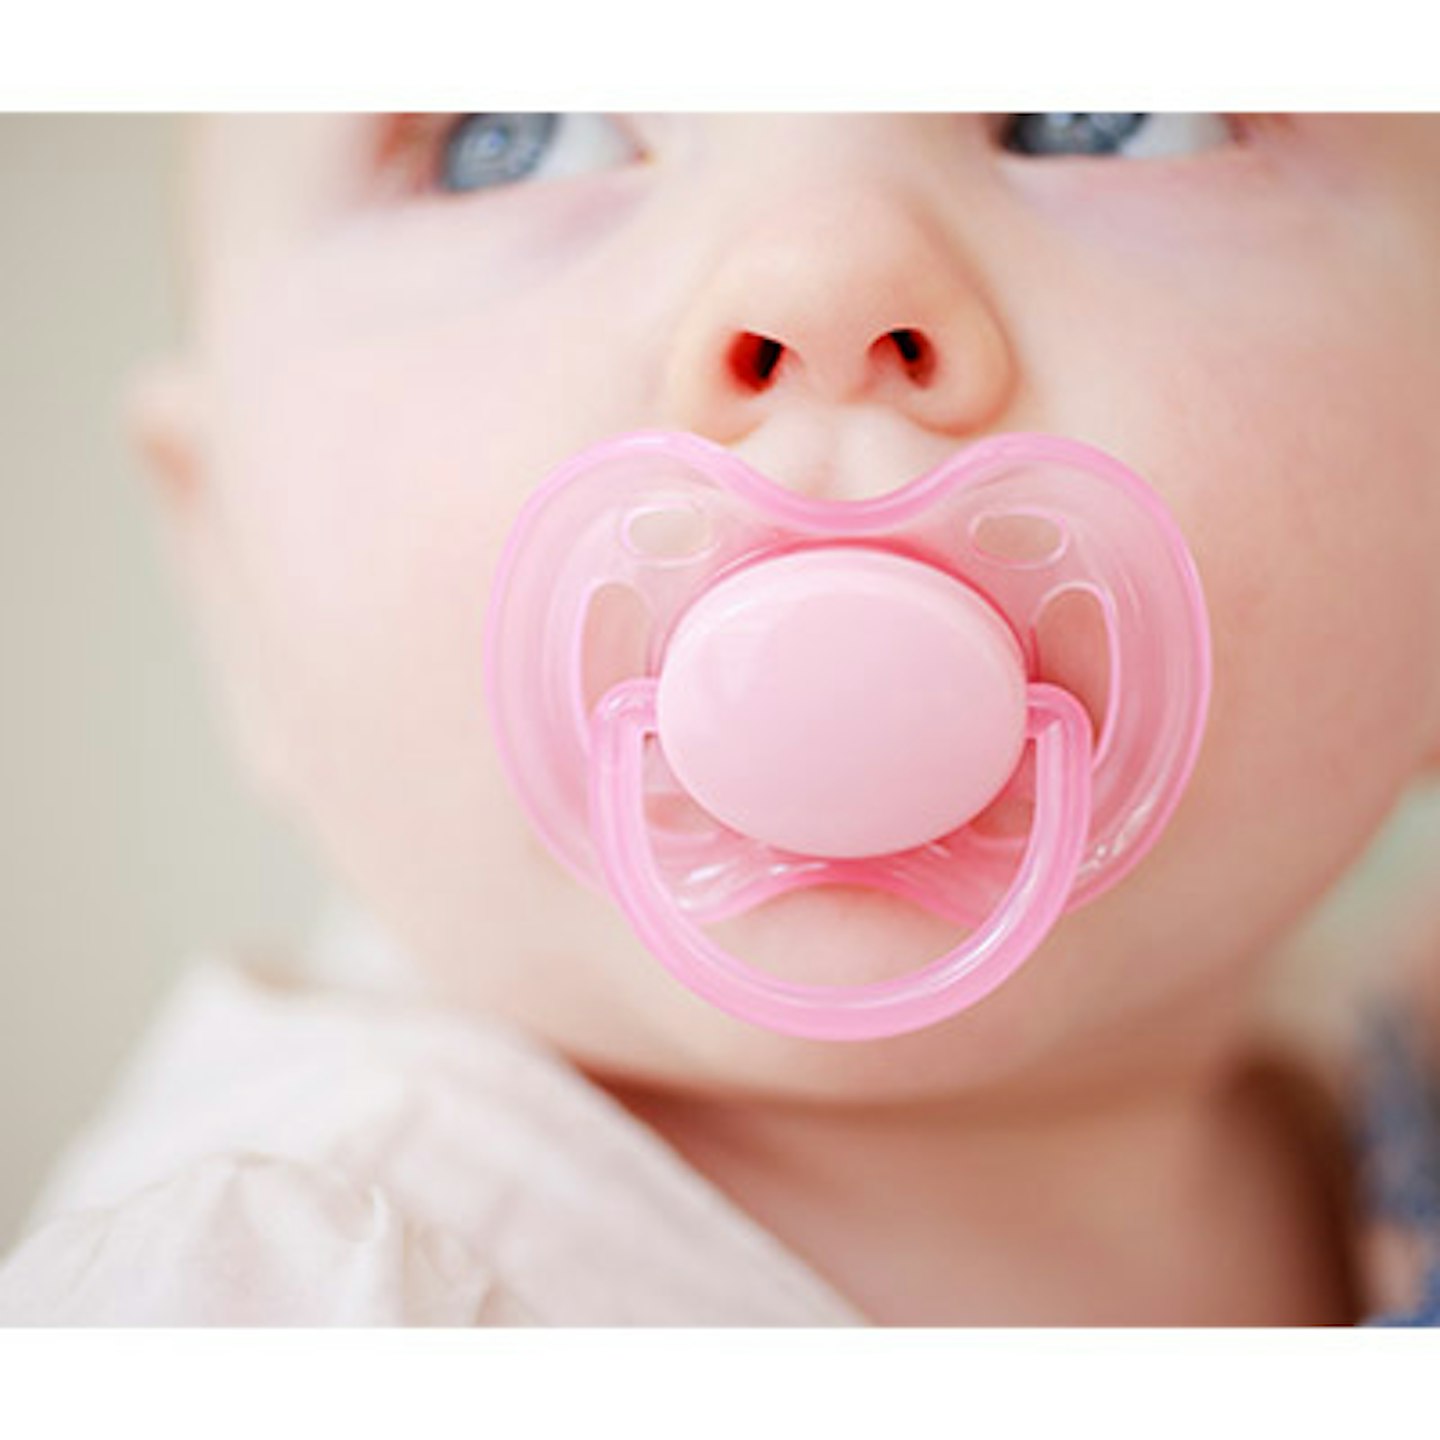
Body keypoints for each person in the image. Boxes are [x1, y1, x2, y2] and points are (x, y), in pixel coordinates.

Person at [3, 113, 1440, 1325]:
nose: (820, 279)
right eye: (515, 135)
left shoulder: (1387, 1062)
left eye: (1106, 110)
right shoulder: (276, 1315)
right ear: (230, 579)